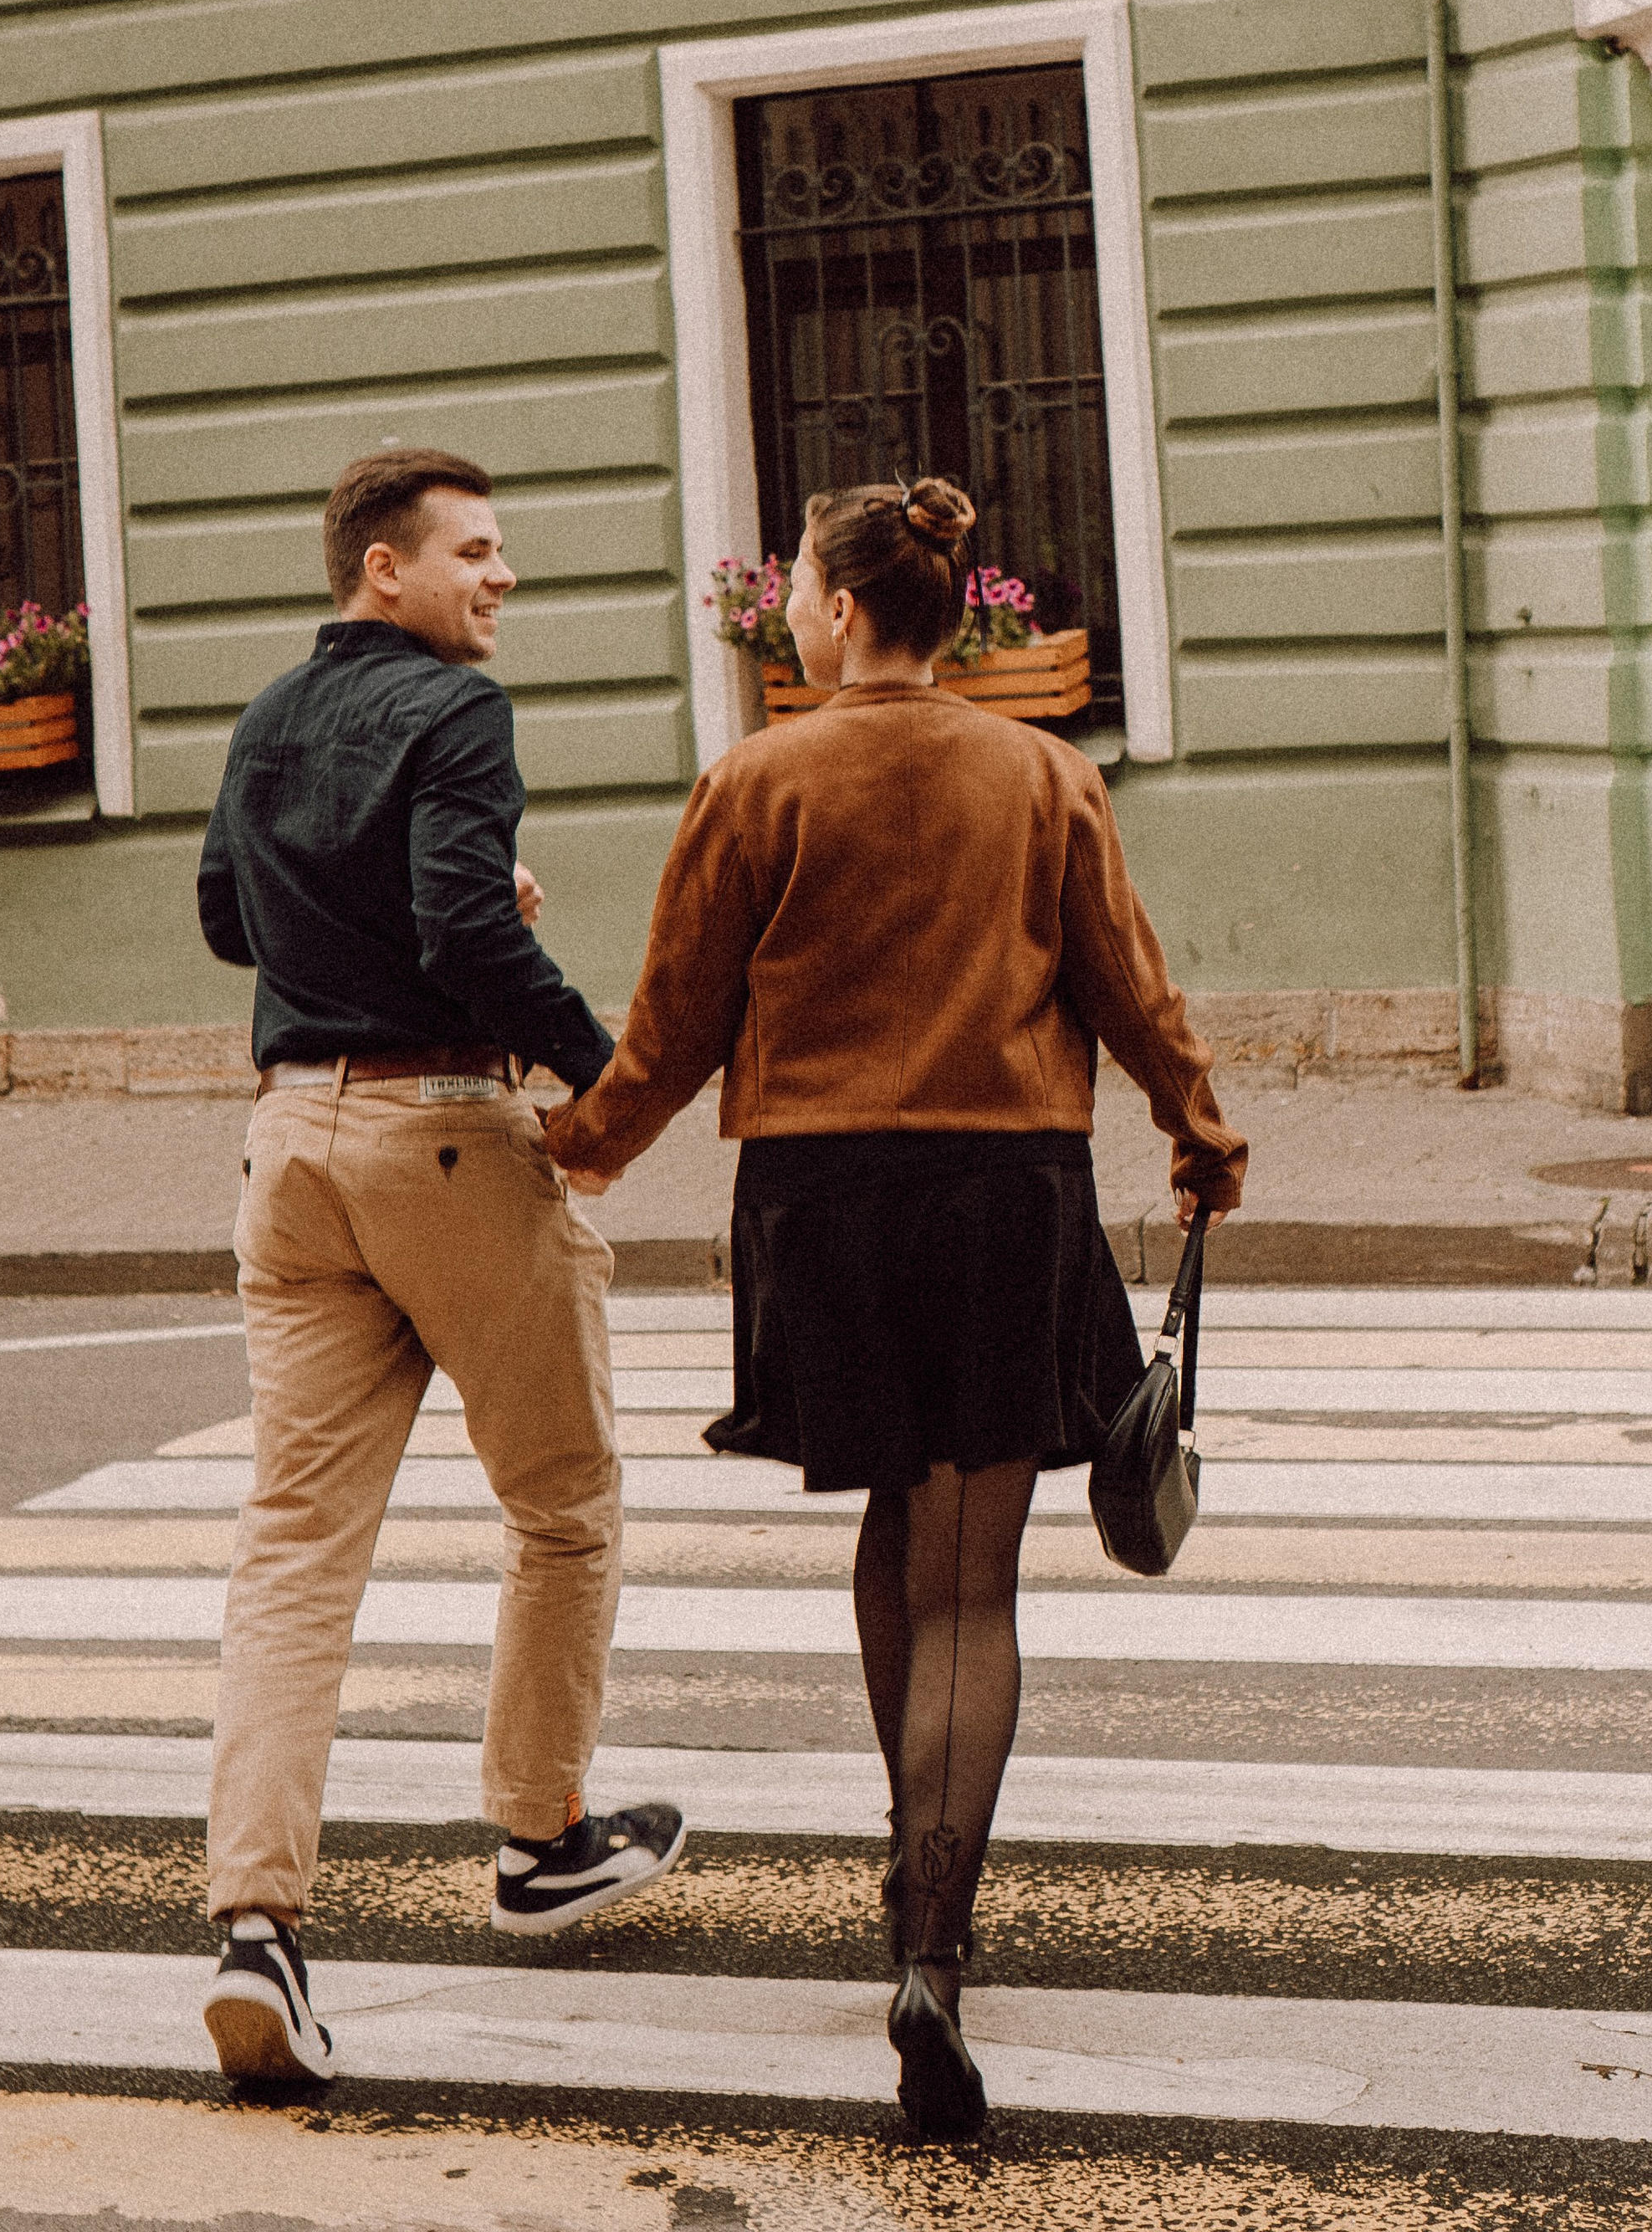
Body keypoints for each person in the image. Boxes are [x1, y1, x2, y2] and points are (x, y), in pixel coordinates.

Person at [546, 476, 1245, 2141]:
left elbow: (675, 1016)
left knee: (890, 1526)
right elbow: (1122, 978)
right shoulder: (1041, 771)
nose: (785, 602)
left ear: (842, 609)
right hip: (1006, 1187)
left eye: (793, 579)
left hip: (826, 1195)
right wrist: (1196, 1127)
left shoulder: (755, 780)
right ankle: (933, 1938)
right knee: (970, 1574)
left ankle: (901, 1862)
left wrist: (578, 1148)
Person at [193, 446, 683, 2086]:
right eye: (473, 552)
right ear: (381, 571)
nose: (503, 577)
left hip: (289, 1152)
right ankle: (541, 1838)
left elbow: (223, 916)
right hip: (446, 1139)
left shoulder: (264, 717)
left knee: (293, 1550)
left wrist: (383, 907)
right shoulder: (456, 715)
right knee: (562, 1503)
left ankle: (256, 1930)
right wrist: (610, 1087)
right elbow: (471, 934)